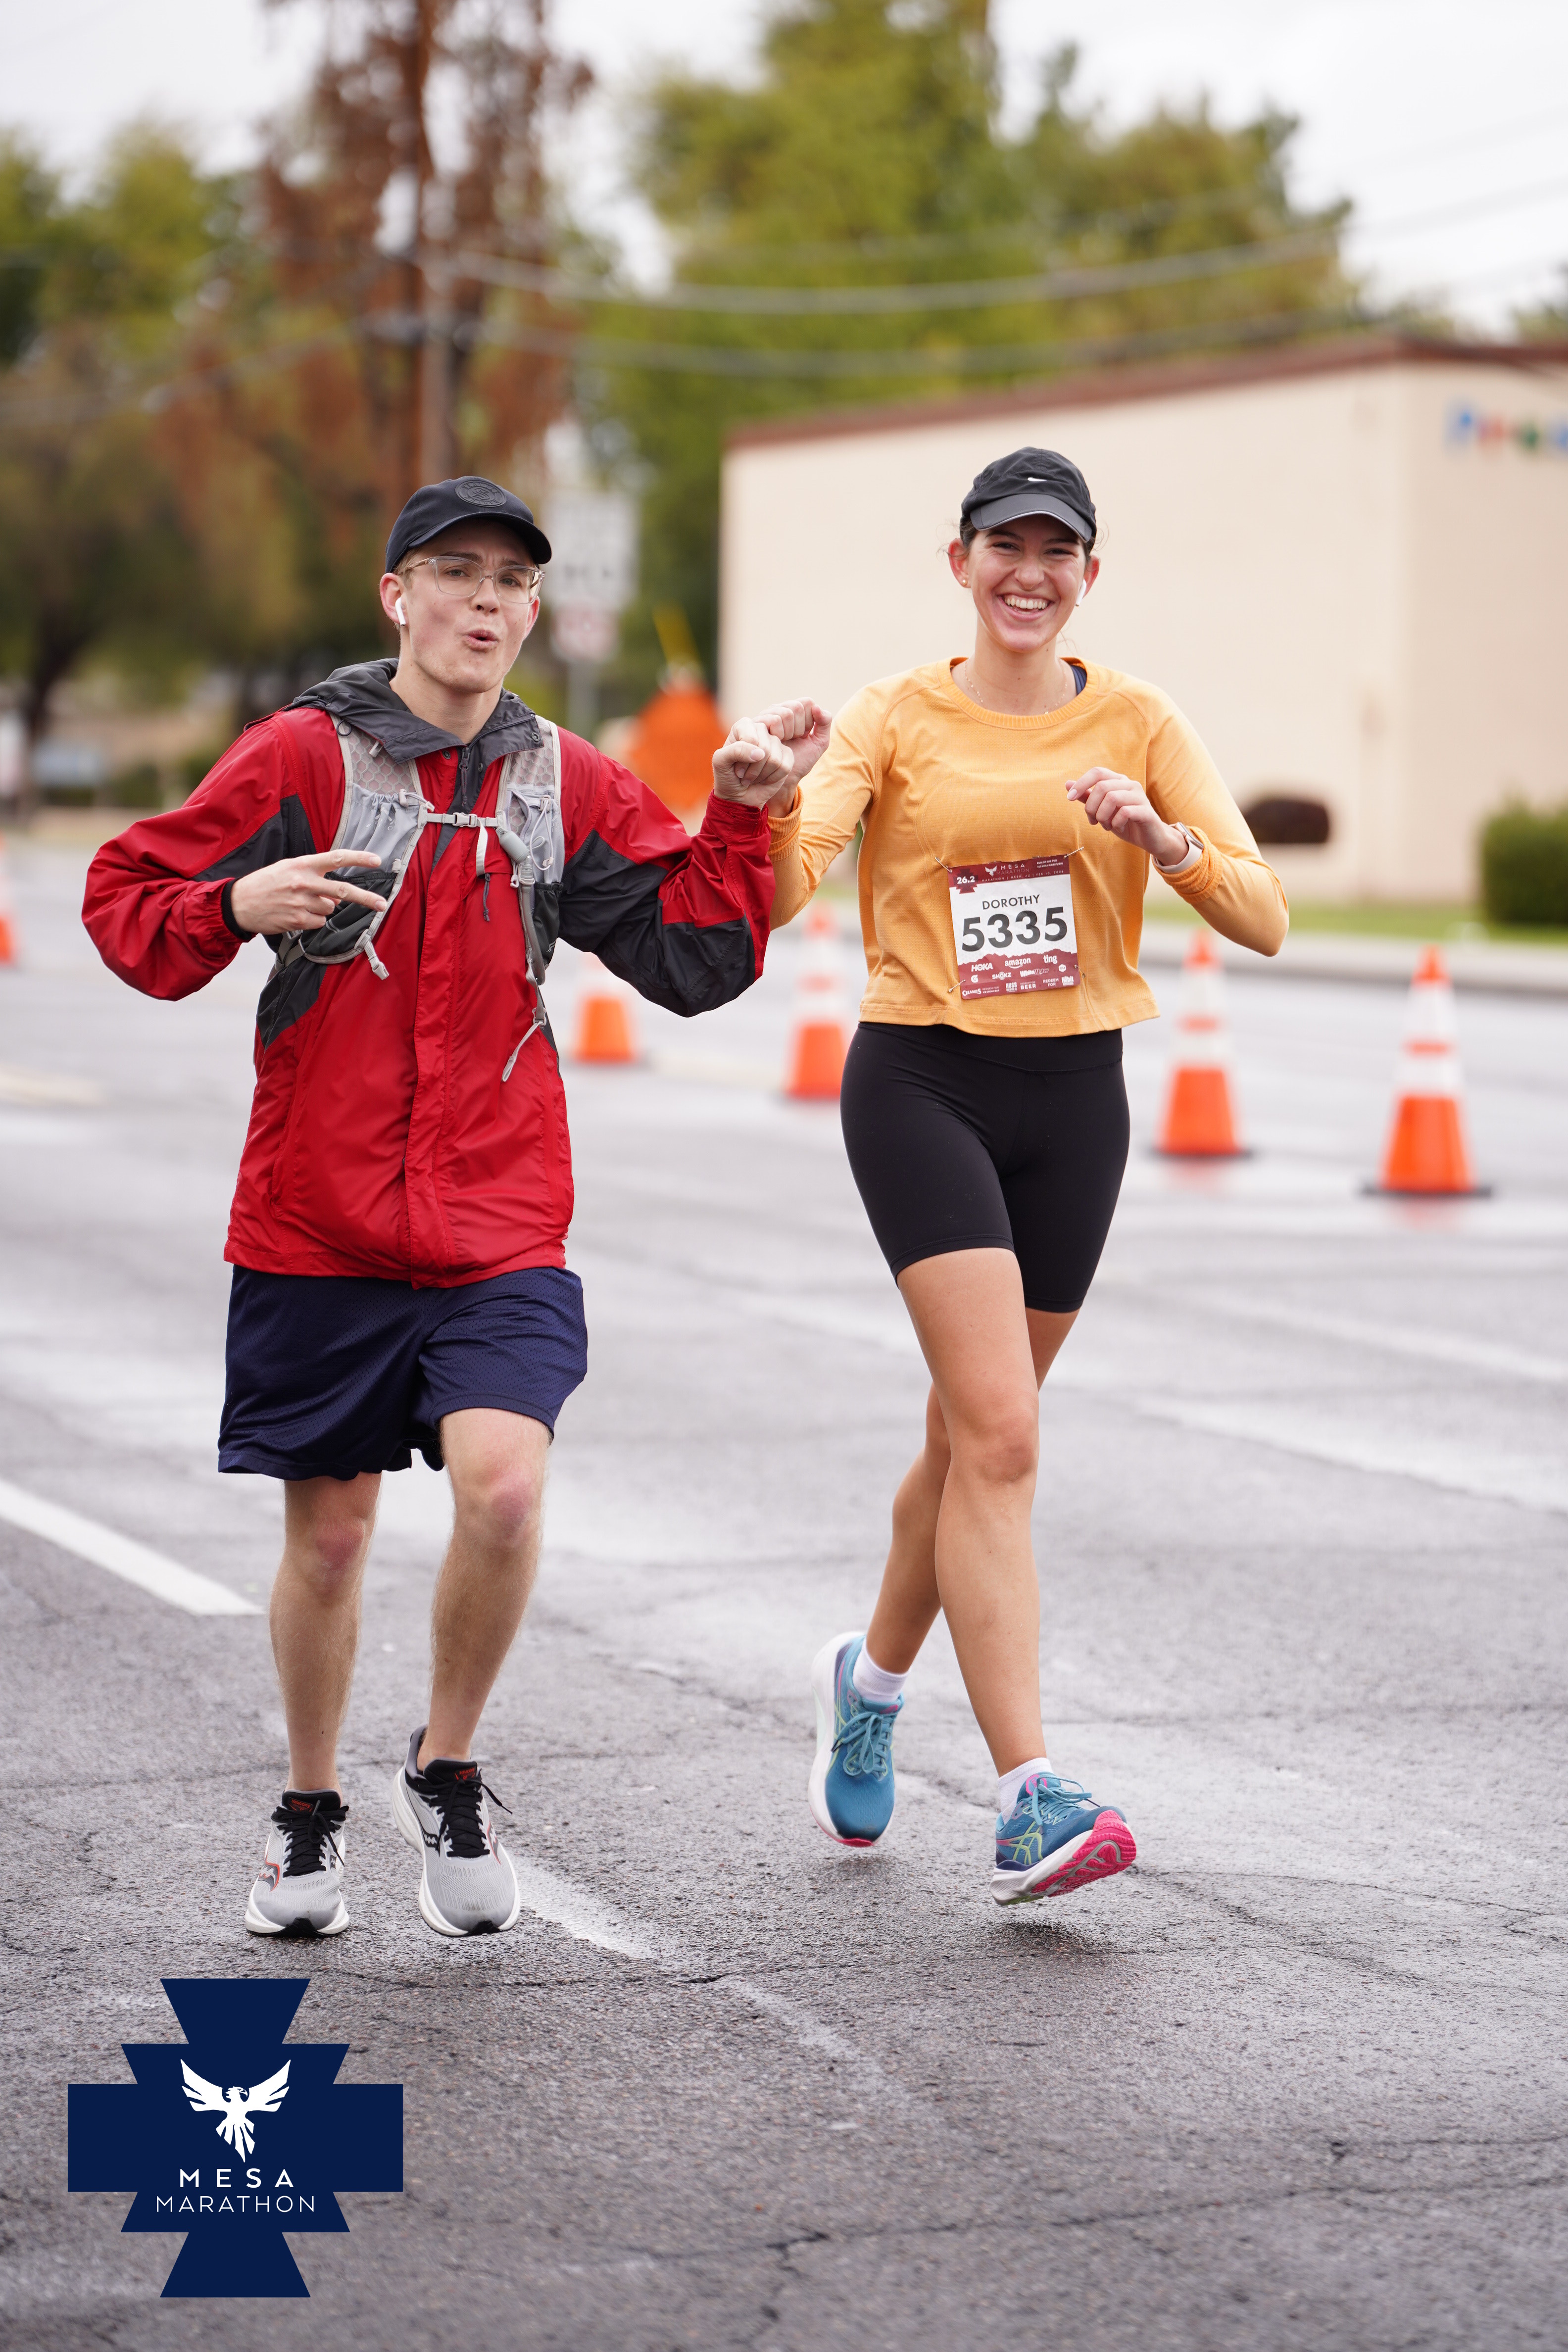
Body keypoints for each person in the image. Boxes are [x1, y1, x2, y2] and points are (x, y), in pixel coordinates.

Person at [84, 474, 794, 1940]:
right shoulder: (301, 756)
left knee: (508, 1490)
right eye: (455, 571)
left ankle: (448, 1765)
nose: (485, 599)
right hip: (319, 1224)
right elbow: (127, 902)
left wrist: (736, 815)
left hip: (497, 1220)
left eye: (510, 580)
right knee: (333, 1542)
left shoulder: (564, 783)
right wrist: (232, 905)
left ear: (532, 613)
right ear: (396, 596)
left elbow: (695, 962)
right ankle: (306, 1813)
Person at [730, 446, 1287, 1905]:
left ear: (1089, 574)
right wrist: (764, 802)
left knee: (969, 1440)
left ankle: (868, 1683)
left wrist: (1165, 841)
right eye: (1005, 548)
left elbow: (1265, 914)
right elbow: (785, 892)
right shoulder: (892, 714)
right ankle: (1030, 1795)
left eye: (1057, 552)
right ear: (961, 562)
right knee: (1004, 1434)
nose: (1028, 575)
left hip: (1077, 1100)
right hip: (923, 1081)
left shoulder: (1140, 718)